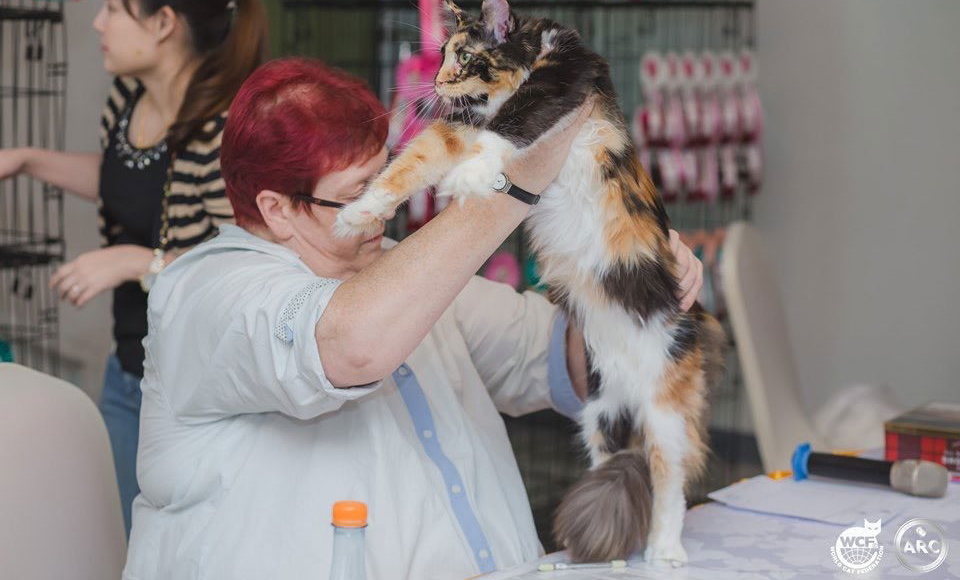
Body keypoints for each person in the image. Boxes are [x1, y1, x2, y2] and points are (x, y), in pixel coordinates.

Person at [125, 57, 703, 580]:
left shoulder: (405, 271)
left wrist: (626, 294)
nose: (387, 202)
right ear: (278, 210)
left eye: (387, 174)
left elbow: (566, 363)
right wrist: (512, 179)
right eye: (360, 191)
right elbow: (349, 344)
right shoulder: (206, 293)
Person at [0, 0, 266, 535]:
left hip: (200, 390)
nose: (98, 23)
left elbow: (243, 268)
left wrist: (136, 261)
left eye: (113, 8)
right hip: (130, 367)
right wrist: (28, 159)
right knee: (125, 541)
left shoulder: (227, 127)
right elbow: (126, 181)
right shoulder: (129, 98)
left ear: (163, 23)